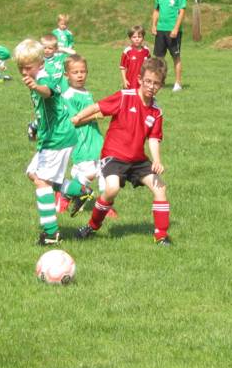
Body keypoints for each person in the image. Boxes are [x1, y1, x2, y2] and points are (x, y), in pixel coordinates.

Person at [73, 57, 172, 246]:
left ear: (161, 85)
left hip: (137, 159)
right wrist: (78, 117)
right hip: (114, 156)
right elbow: (98, 106)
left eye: (156, 83)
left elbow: (153, 138)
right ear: (140, 79)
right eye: (148, 81)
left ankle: (161, 235)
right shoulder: (125, 96)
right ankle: (92, 226)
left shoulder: (156, 111)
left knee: (160, 188)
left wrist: (157, 160)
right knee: (112, 189)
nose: (151, 86)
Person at [16, 38, 78, 245]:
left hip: (58, 137)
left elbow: (48, 92)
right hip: (50, 136)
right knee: (33, 173)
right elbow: (47, 109)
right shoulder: (35, 77)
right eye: (20, 68)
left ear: (40, 64)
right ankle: (79, 191)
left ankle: (51, 234)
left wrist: (36, 86)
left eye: (28, 68)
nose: (24, 72)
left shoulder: (44, 77)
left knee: (42, 182)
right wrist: (36, 126)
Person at [55, 55, 103, 216]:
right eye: (75, 72)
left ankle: (102, 205)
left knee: (100, 168)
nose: (80, 75)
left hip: (93, 137)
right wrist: (95, 115)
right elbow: (74, 121)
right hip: (81, 139)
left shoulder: (86, 92)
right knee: (91, 172)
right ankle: (66, 193)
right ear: (66, 75)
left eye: (83, 71)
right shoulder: (69, 95)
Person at [150, 0, 186, 91]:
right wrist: (154, 25)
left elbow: (182, 12)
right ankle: (160, 81)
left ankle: (178, 83)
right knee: (159, 58)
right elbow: (156, 10)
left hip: (173, 31)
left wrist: (176, 28)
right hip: (160, 29)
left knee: (176, 57)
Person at [119, 24, 151, 89]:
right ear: (130, 38)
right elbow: (123, 68)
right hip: (130, 82)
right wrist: (124, 80)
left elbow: (149, 66)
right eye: (134, 37)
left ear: (143, 38)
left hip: (143, 82)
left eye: (139, 37)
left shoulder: (146, 51)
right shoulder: (127, 51)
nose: (137, 39)